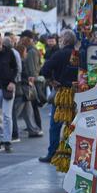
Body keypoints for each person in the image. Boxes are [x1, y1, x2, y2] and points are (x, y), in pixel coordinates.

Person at [39, 29, 78, 163]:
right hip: (78, 94)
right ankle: (73, 153)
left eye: (61, 38)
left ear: (65, 41)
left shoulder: (59, 54)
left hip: (62, 94)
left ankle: (52, 153)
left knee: (55, 125)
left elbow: (44, 70)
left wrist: (51, 81)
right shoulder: (80, 54)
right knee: (73, 125)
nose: (59, 40)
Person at [11, 41, 42, 140]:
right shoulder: (20, 62)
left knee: (28, 112)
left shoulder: (19, 61)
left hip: (24, 91)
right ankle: (12, 131)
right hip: (22, 90)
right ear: (21, 52)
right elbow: (20, 76)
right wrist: (27, 81)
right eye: (25, 52)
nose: (26, 53)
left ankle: (33, 130)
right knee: (15, 113)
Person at [19, 30, 43, 131]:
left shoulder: (32, 51)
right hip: (31, 82)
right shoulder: (30, 49)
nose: (20, 40)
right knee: (32, 106)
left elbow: (32, 70)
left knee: (34, 106)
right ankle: (33, 126)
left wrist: (31, 83)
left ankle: (38, 126)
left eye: (22, 37)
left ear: (27, 39)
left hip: (31, 83)